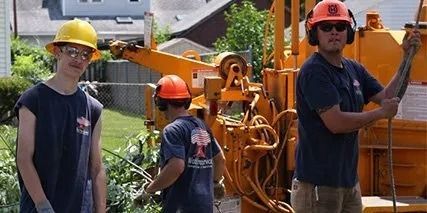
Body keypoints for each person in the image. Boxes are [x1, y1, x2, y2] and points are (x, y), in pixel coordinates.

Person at [290, 0, 421, 212]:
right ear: (314, 33)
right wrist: (380, 113)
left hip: (349, 184)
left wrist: (407, 58)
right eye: (326, 27)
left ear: (348, 32)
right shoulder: (314, 71)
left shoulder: (354, 69)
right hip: (317, 187)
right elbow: (336, 123)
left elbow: (389, 95)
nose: (334, 32)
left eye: (340, 26)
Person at [15, 19, 106, 212]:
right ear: (57, 52)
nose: (79, 59)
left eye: (85, 54)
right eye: (72, 51)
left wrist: (100, 209)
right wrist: (42, 204)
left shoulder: (93, 108)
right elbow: (24, 158)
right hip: (40, 207)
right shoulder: (33, 100)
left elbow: (96, 168)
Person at [144, 75, 226, 213]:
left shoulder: (172, 130)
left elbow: (176, 167)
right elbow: (220, 159)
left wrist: (150, 189)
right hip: (204, 206)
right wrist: (215, 183)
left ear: (161, 102)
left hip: (181, 207)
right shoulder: (202, 126)